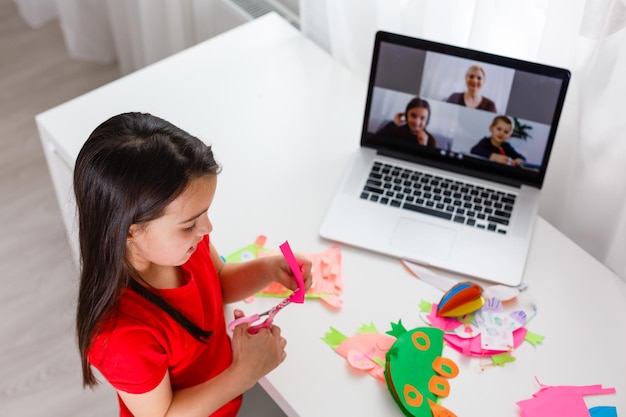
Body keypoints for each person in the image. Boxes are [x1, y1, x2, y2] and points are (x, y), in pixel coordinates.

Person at [74, 112, 313, 417]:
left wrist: (268, 269)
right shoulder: (120, 336)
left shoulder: (183, 247)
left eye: (205, 213)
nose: (207, 229)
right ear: (130, 230)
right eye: (190, 224)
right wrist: (244, 373)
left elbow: (220, 281)